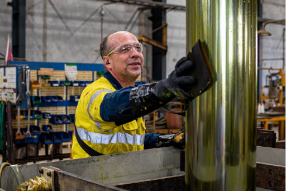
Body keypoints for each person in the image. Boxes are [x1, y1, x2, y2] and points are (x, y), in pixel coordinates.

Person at [71, 31, 196, 159]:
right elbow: (114, 105)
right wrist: (165, 88)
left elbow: (133, 141)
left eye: (138, 48)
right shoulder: (93, 92)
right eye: (125, 49)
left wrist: (164, 139)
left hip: (120, 175)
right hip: (90, 177)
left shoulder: (133, 95)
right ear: (108, 62)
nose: (135, 54)